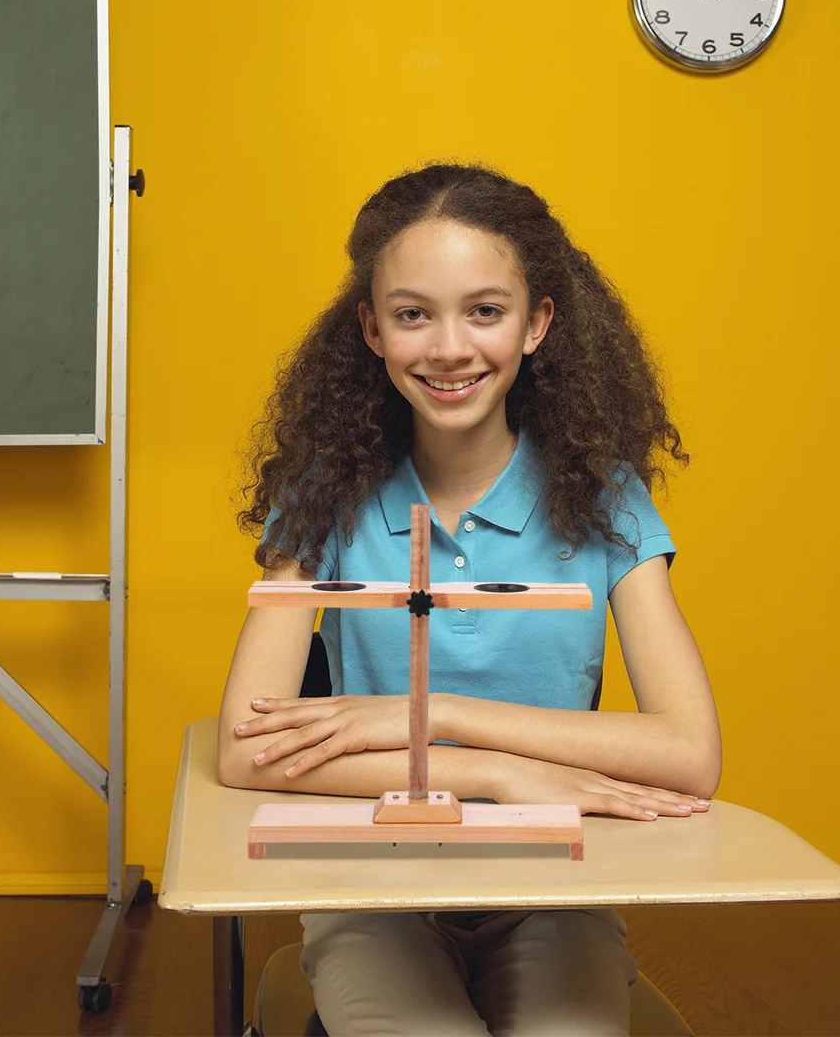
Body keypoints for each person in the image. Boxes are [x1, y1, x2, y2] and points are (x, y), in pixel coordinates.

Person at [218, 163, 722, 1036]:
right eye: (413, 315)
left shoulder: (606, 500)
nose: (449, 348)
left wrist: (437, 714)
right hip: (371, 887)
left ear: (537, 325)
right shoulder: (322, 495)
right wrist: (497, 774)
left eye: (485, 311)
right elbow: (244, 751)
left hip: (556, 887)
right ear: (372, 331)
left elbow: (688, 751)